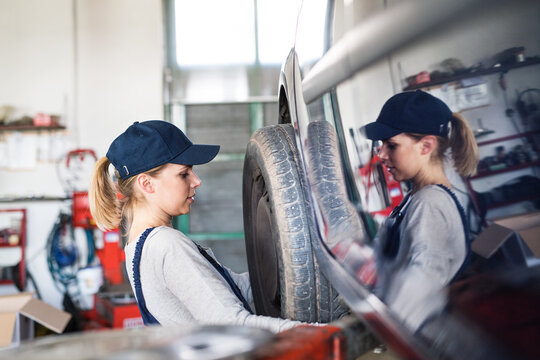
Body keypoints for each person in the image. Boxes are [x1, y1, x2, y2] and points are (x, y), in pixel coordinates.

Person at [89, 120, 301, 333]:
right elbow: (235, 324)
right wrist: (322, 333)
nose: (197, 181)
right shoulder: (166, 245)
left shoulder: (138, 247)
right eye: (184, 173)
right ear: (147, 184)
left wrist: (295, 269)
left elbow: (237, 289)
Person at [360, 90, 478, 331]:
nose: (381, 154)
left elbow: (419, 287)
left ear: (426, 146)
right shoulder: (417, 196)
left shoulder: (430, 204)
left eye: (391, 145)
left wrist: (365, 328)